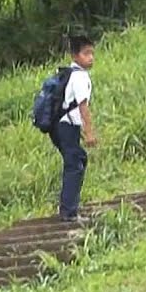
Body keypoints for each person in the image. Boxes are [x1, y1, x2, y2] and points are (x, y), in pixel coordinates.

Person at [51, 35, 99, 222]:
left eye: (92, 53)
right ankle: (68, 211)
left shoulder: (69, 74)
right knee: (75, 164)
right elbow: (83, 107)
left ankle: (68, 206)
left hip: (61, 126)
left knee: (78, 160)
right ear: (75, 56)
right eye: (86, 53)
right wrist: (89, 133)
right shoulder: (79, 77)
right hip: (66, 126)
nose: (90, 58)